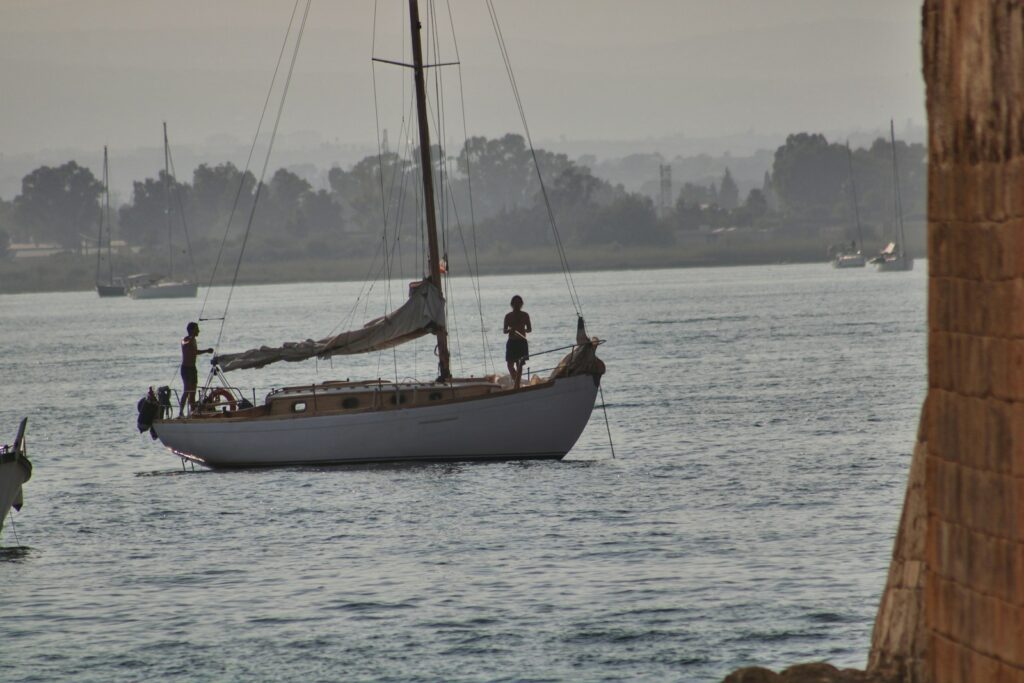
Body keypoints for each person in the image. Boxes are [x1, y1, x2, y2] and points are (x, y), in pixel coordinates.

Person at [179, 321, 213, 417]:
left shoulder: (194, 340)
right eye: (197, 329)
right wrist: (190, 339)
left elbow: (195, 352)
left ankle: (192, 412)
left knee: (193, 392)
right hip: (186, 369)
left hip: (193, 368)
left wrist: (207, 350)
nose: (199, 331)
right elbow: (184, 343)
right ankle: (181, 411)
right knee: (187, 390)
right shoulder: (185, 339)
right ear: (192, 330)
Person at [503, 295, 532, 389]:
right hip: (512, 342)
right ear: (512, 304)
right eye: (515, 303)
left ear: (521, 304)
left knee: (519, 365)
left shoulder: (525, 315)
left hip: (522, 341)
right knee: (509, 365)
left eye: (518, 303)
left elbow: (529, 329)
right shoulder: (508, 316)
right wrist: (510, 330)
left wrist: (523, 329)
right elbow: (504, 330)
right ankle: (517, 383)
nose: (516, 305)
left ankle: (517, 386)